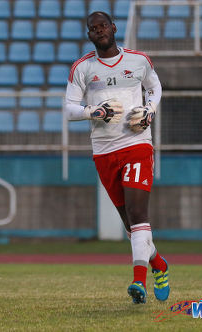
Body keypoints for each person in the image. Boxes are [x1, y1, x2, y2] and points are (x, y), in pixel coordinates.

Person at [63, 11, 169, 304]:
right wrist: (92, 111)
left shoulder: (138, 60)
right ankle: (159, 264)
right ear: (89, 35)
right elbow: (69, 108)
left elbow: (155, 87)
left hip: (137, 144)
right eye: (93, 28)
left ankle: (139, 283)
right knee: (130, 225)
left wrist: (151, 109)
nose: (100, 31)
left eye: (103, 26)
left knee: (138, 216)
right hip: (104, 152)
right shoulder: (82, 68)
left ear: (113, 28)